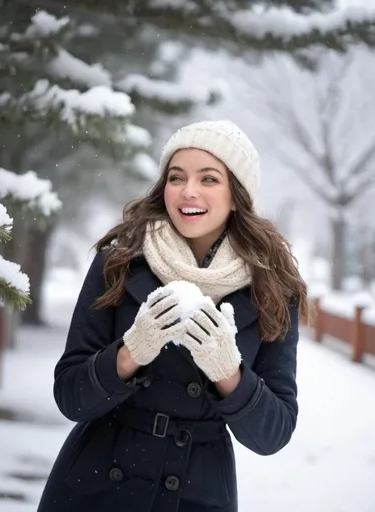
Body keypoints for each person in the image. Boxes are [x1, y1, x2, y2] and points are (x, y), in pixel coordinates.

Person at [37, 120, 309, 512]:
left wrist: (227, 372)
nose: (188, 191)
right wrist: (130, 352)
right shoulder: (119, 262)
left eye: (209, 179)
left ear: (237, 196)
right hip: (97, 484)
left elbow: (274, 433)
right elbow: (70, 397)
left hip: (196, 491)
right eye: (176, 177)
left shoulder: (272, 287)